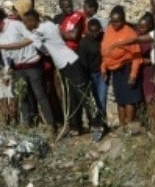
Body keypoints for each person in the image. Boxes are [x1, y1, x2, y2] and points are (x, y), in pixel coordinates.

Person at [22, 10, 106, 140]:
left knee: (84, 95)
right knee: (71, 96)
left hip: (71, 63)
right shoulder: (42, 29)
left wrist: (3, 46)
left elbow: (24, 43)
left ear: (33, 20)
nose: (25, 24)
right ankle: (75, 127)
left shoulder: (44, 28)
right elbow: (44, 49)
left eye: (26, 22)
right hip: (63, 65)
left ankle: (97, 125)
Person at [0, 0, 55, 129]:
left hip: (31, 65)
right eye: (13, 10)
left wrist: (45, 51)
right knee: (23, 96)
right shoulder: (13, 24)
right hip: (18, 67)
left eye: (16, 10)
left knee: (40, 95)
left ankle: (51, 125)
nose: (13, 12)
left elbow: (34, 40)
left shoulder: (25, 24)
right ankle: (29, 123)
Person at [102, 6, 143, 133]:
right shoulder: (109, 30)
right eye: (113, 21)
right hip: (114, 70)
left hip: (127, 68)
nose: (115, 24)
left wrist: (133, 74)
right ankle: (122, 126)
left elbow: (137, 56)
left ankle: (129, 126)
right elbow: (105, 51)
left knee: (129, 99)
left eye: (118, 21)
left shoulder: (129, 33)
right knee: (120, 99)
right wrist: (104, 67)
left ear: (124, 20)